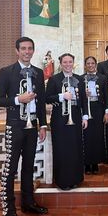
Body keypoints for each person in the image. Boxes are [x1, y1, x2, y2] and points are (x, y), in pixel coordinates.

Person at [0, 37, 48, 216]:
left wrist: (42, 125)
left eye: (30, 48)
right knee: (10, 169)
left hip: (32, 125)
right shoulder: (7, 72)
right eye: (23, 49)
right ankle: (8, 211)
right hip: (15, 126)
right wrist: (18, 99)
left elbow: (40, 101)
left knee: (28, 165)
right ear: (17, 51)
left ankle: (28, 202)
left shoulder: (38, 72)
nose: (27, 51)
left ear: (33, 51)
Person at [45, 53, 87, 190]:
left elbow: (83, 101)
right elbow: (47, 98)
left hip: (75, 117)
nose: (68, 64)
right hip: (59, 119)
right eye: (65, 62)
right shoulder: (54, 79)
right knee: (62, 149)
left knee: (75, 148)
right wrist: (62, 96)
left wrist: (85, 116)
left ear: (73, 63)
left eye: (70, 62)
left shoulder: (79, 79)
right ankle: (63, 181)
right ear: (61, 64)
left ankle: (76, 178)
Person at [80, 56, 108, 174]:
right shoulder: (80, 79)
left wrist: (107, 112)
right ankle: (87, 163)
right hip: (86, 109)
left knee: (98, 136)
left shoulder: (102, 78)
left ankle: (95, 163)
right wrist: (84, 95)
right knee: (87, 136)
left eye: (92, 63)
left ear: (96, 65)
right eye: (88, 63)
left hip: (98, 108)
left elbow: (107, 97)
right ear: (85, 65)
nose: (90, 65)